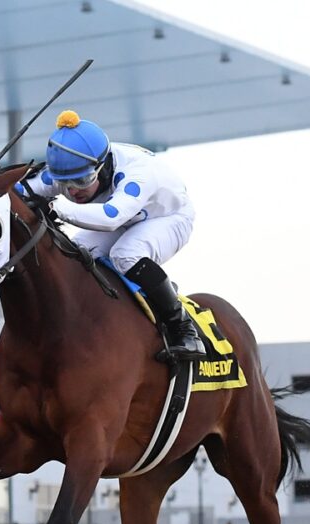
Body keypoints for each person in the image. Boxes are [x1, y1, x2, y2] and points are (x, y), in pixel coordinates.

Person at [19, 110, 205, 361]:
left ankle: (183, 328)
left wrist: (56, 206)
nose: (74, 191)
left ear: (102, 165)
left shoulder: (138, 173)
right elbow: (21, 189)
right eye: (65, 184)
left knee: (125, 254)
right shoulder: (72, 167)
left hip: (167, 218)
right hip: (129, 219)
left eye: (83, 180)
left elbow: (111, 217)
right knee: (74, 252)